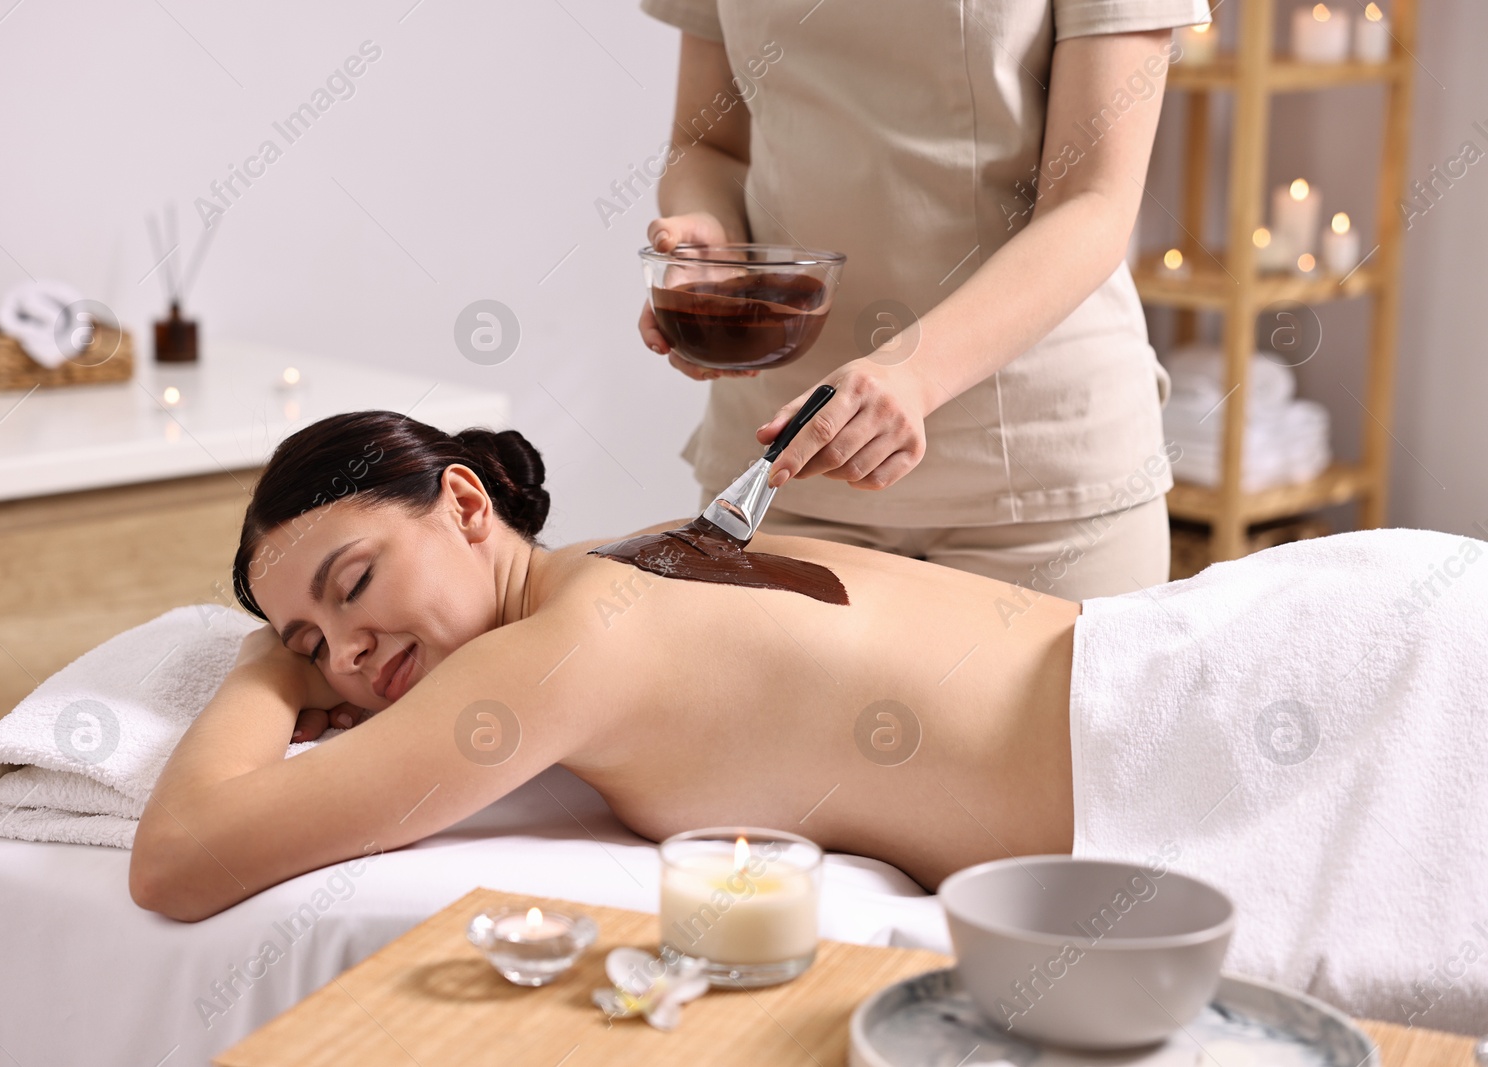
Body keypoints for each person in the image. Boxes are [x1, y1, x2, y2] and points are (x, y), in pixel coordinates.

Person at [128, 413, 1488, 1034]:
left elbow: (183, 852)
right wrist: (303, 630)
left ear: (470, 505)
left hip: (1244, 721)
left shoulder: (563, 649)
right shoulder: (623, 560)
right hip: (1277, 648)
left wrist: (258, 662)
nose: (346, 651)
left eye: (352, 586)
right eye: (311, 640)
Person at [634, 0, 1212, 600]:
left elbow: (1091, 199)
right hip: (782, 469)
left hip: (1041, 487)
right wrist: (710, 249)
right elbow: (708, 144)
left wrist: (914, 372)